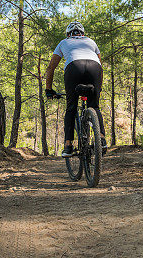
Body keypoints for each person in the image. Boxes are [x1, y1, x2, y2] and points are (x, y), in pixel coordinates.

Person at [45, 21, 107, 157]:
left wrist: (48, 89)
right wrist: (98, 89)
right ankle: (101, 139)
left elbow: (51, 67)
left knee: (71, 108)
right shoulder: (91, 42)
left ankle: (68, 145)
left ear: (68, 34)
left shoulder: (63, 42)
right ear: (83, 34)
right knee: (95, 107)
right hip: (94, 68)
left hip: (74, 68)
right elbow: (100, 65)